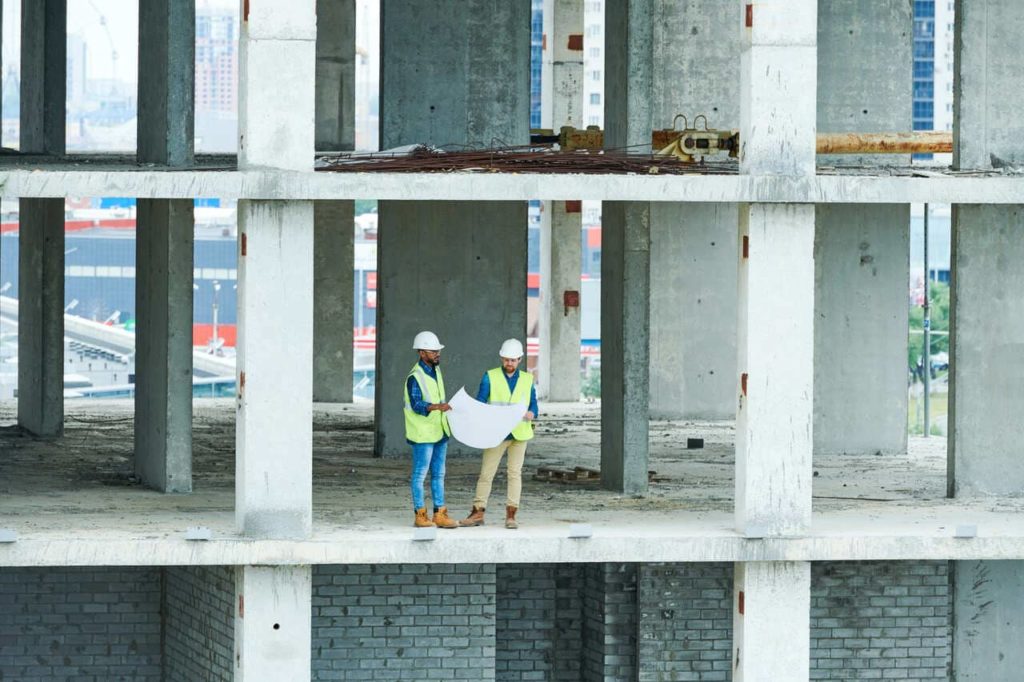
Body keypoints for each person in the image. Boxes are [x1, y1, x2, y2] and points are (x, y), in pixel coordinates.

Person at [460, 338, 538, 530]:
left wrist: (532, 413)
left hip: (520, 434)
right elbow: (480, 403)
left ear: (519, 360)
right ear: (501, 358)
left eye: (512, 360)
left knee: (514, 474)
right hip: (496, 434)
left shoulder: (528, 380)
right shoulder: (490, 377)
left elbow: (533, 403)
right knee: (486, 474)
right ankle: (478, 512)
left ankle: (511, 515)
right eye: (506, 360)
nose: (508, 363)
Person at [404, 330, 458, 529]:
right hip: (423, 434)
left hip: (439, 431)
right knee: (420, 475)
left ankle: (440, 514)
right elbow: (417, 404)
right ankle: (420, 515)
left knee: (439, 474)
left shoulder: (435, 371)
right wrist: (437, 407)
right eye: (432, 351)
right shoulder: (415, 377)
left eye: (437, 350)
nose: (437, 354)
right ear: (421, 353)